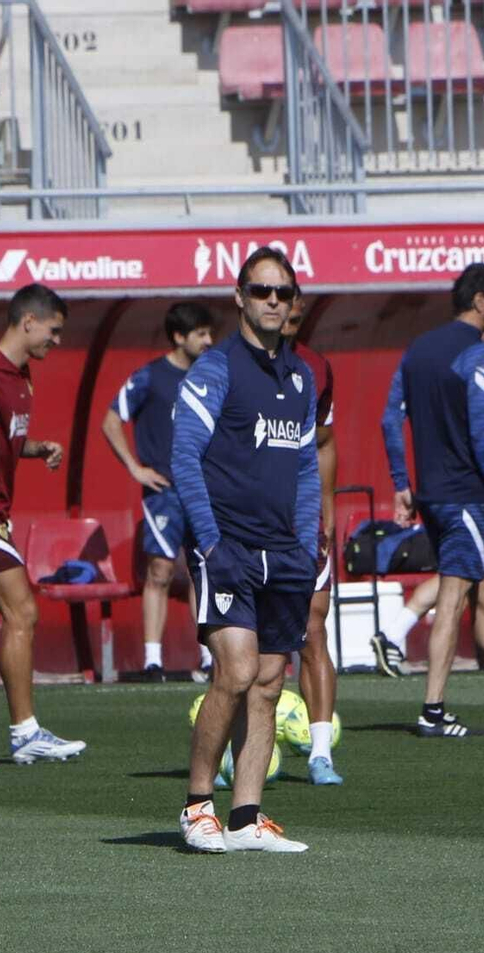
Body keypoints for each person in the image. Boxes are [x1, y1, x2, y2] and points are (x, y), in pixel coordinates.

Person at [172, 246, 320, 853]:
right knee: (233, 671)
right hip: (227, 544)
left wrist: (307, 545)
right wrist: (210, 541)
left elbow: (307, 466)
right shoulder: (215, 368)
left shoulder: (301, 375)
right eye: (262, 291)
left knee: (268, 681)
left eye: (283, 293)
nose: (273, 302)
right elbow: (183, 459)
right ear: (239, 297)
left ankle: (247, 817)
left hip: (285, 550)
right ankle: (197, 807)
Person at [0, 283, 86, 767]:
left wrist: (35, 447)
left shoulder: (22, 375)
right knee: (22, 612)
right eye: (54, 330)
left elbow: (0, 440)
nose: (57, 341)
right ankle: (25, 733)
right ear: (28, 322)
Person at [380, 263, 484, 737]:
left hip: (431, 494)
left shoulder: (419, 348)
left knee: (483, 591)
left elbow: (389, 420)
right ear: (480, 300)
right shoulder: (476, 353)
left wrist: (402, 480)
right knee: (455, 596)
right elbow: (482, 432)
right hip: (463, 494)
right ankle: (433, 710)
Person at [101, 302, 216, 682]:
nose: (208, 340)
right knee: (161, 570)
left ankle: (208, 655)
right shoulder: (150, 377)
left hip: (202, 489)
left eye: (209, 332)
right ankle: (152, 660)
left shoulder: (212, 378)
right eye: (200, 333)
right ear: (179, 337)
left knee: (204, 569)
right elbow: (111, 419)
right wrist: (135, 467)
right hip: (164, 491)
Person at [282, 288, 345, 784]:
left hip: (304, 524)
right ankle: (236, 751)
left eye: (289, 300)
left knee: (312, 631)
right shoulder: (225, 368)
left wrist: (327, 512)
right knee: (248, 646)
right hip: (249, 524)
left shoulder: (317, 368)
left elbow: (324, 442)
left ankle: (320, 752)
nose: (282, 310)